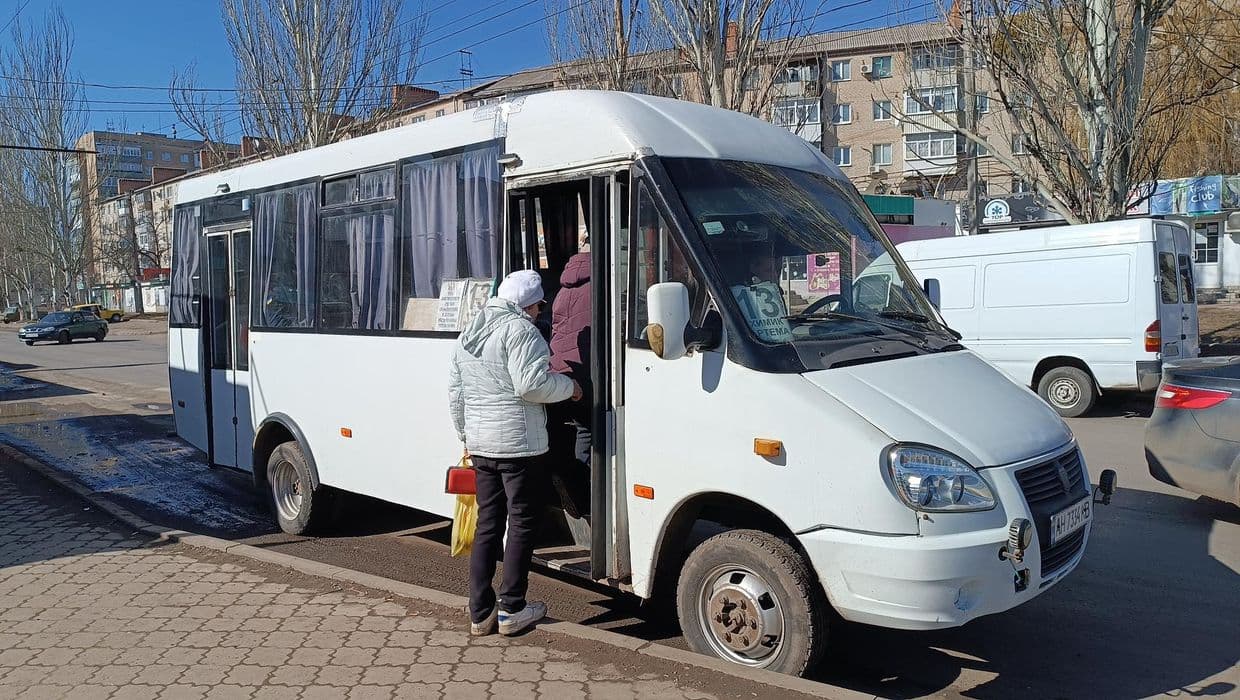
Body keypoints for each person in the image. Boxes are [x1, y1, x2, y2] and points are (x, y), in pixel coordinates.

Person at [448, 269, 582, 637]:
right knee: (522, 522)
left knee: (488, 524)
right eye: (538, 304)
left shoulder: (470, 333)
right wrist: (569, 387)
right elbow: (531, 385)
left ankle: (480, 611)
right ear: (526, 304)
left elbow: (456, 393)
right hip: (519, 447)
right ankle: (512, 608)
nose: (540, 311)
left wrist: (466, 436)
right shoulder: (521, 331)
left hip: (482, 446)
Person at [548, 235, 592, 519]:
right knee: (590, 431)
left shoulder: (564, 285)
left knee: (581, 429)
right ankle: (585, 497)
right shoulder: (604, 281)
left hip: (560, 369)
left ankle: (575, 490)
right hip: (584, 372)